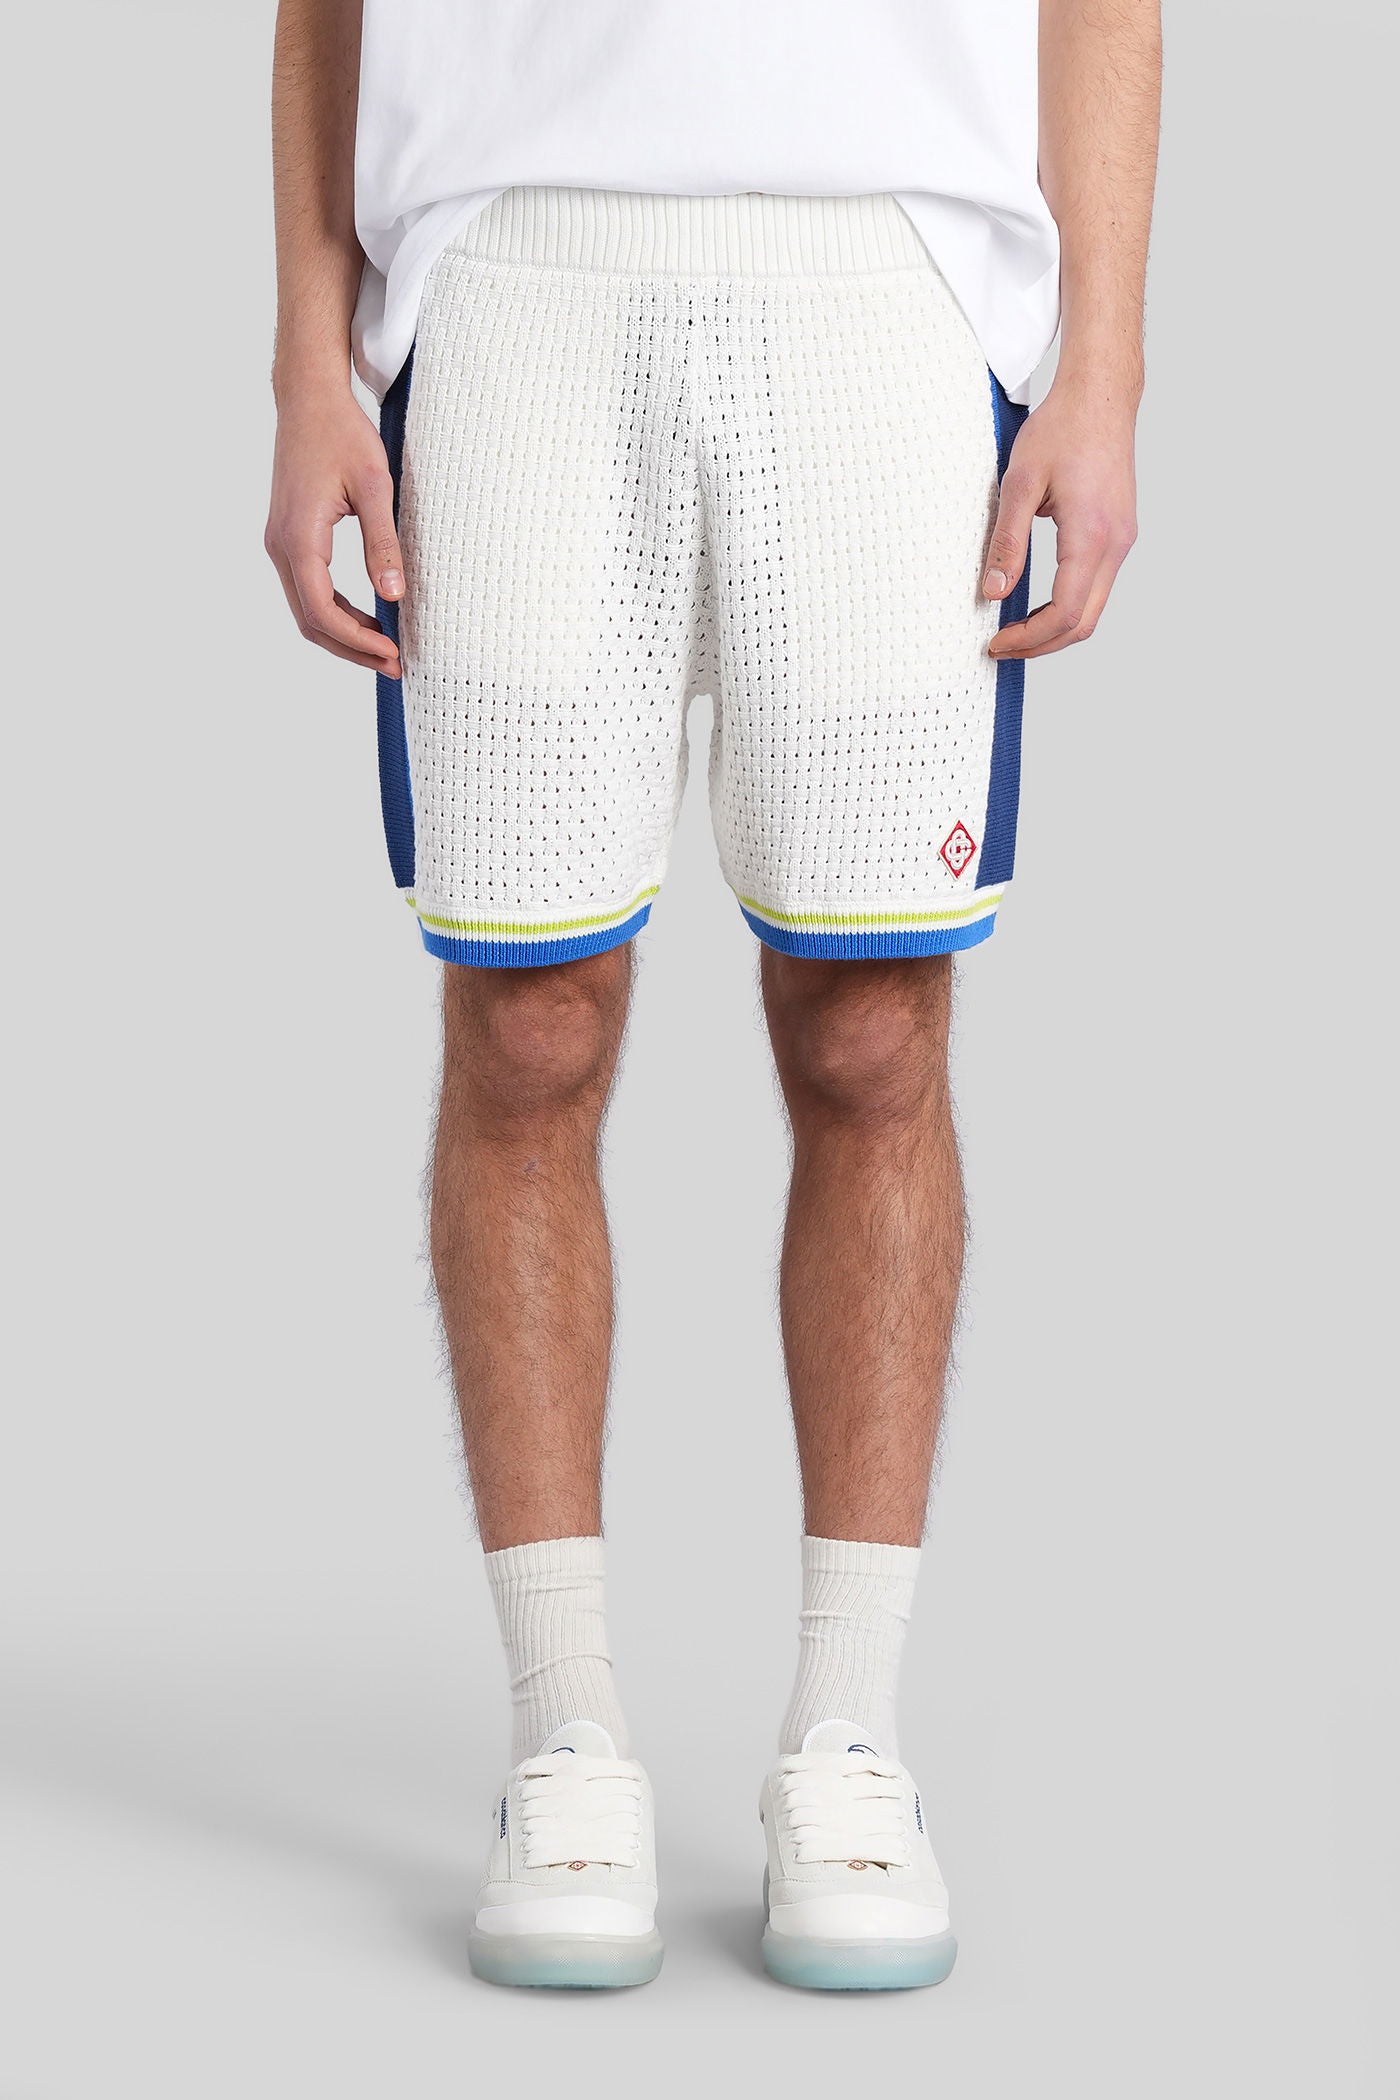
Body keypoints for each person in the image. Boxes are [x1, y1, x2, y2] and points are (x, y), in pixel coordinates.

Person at [266, 0, 1160, 1992]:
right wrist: (308, 352)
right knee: (529, 1023)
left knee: (871, 1027)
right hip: (511, 268)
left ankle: (849, 1733)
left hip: (892, 276)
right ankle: (563, 1732)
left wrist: (1101, 360)